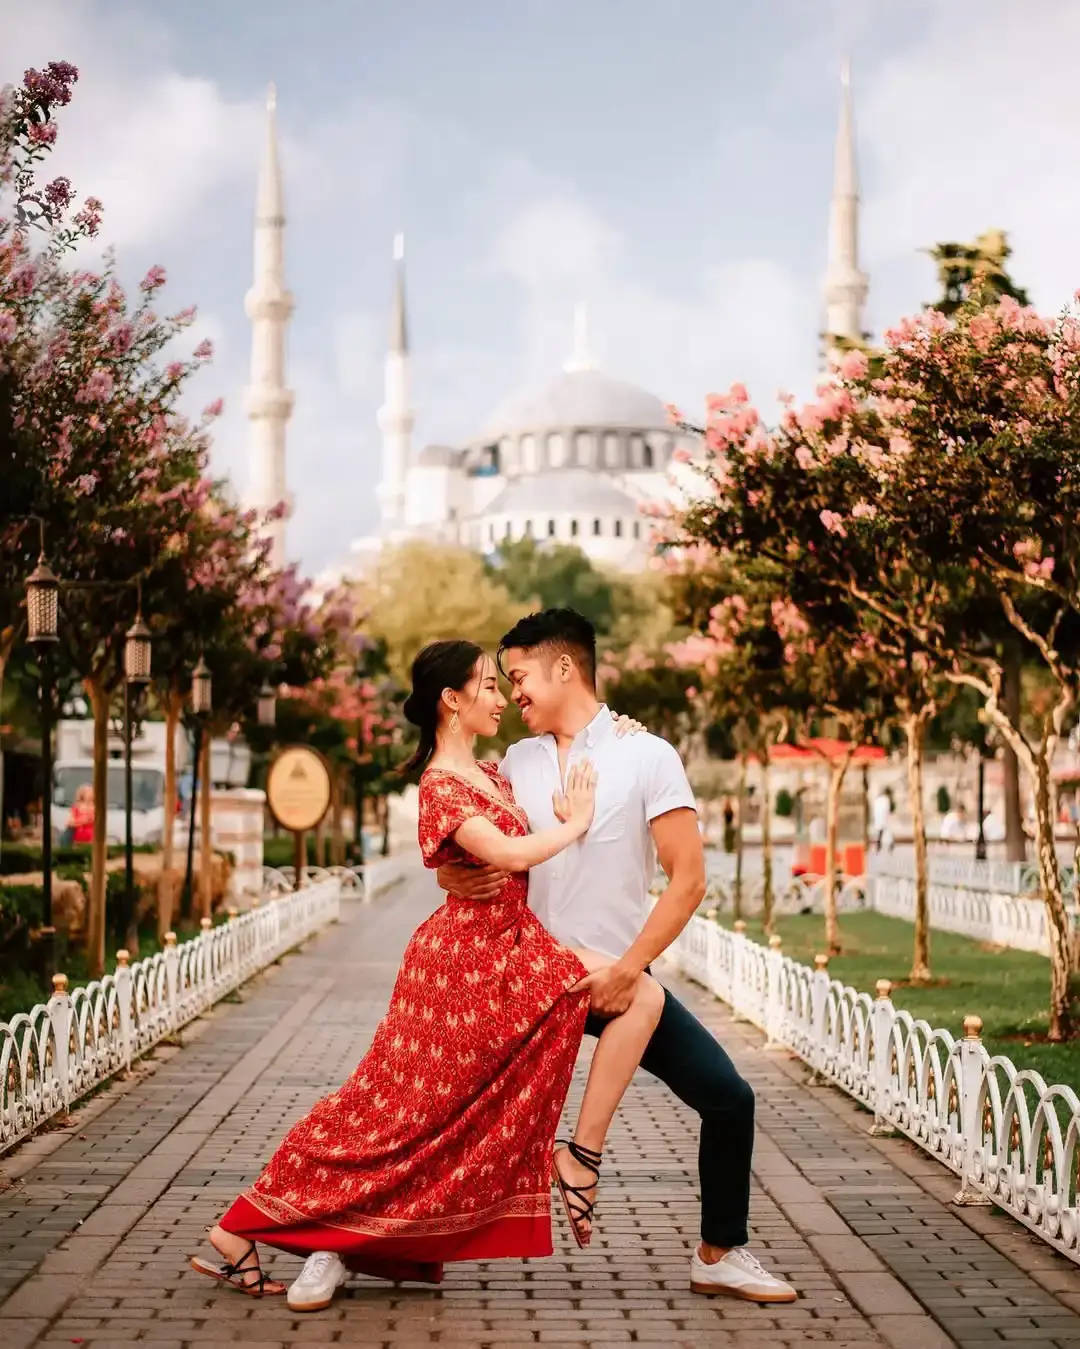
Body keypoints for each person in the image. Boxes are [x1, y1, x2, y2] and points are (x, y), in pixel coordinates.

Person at [191, 640, 663, 1311]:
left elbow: (553, 782)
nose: (501, 698)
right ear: (452, 699)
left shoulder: (493, 775)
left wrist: (623, 736)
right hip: (462, 968)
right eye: (488, 687)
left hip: (506, 951)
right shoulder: (441, 784)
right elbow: (503, 850)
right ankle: (242, 1226)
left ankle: (575, 1158)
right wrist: (575, 825)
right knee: (385, 1116)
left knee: (635, 996)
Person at [437, 609, 797, 1304]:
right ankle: (342, 1241)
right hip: (531, 978)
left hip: (618, 980)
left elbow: (687, 879)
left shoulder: (645, 755)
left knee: (729, 1098)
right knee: (436, 1111)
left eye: (519, 676)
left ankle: (720, 1251)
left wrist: (630, 967)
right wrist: (453, 876)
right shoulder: (517, 761)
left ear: (564, 668)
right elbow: (473, 844)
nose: (513, 693)